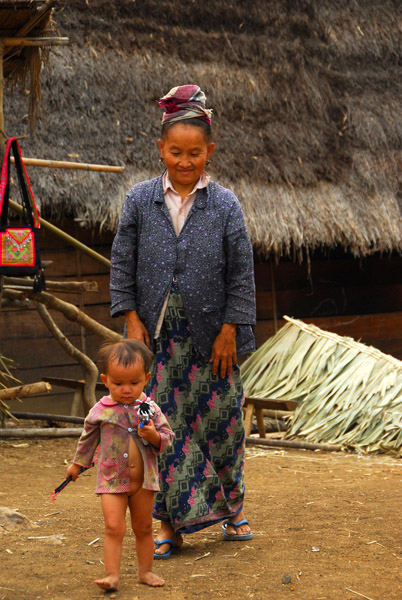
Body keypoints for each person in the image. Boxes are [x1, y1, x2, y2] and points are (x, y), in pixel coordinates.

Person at [110, 84, 256, 559]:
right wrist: (131, 319)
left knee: (222, 422)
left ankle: (231, 508)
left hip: (214, 336)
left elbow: (241, 272)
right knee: (160, 426)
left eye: (195, 153)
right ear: (161, 150)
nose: (185, 161)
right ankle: (168, 522)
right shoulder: (139, 200)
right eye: (176, 152)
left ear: (209, 152)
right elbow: (121, 264)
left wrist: (230, 329)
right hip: (155, 335)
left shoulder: (226, 205)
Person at [66, 339, 174, 590]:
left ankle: (145, 571)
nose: (126, 389)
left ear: (146, 378)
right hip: (111, 479)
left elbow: (168, 437)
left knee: (144, 527)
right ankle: (112, 575)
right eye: (118, 383)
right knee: (114, 527)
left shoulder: (149, 408)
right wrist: (77, 465)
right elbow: (87, 441)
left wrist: (154, 437)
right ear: (105, 380)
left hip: (144, 482)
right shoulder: (100, 411)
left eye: (134, 383)